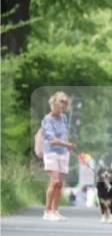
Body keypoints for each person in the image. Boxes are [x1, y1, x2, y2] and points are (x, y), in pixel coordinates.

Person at [41, 91, 73, 221]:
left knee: (60, 184)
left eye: (64, 107)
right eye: (60, 106)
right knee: (54, 182)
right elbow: (52, 139)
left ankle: (55, 211)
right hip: (51, 153)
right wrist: (66, 144)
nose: (62, 109)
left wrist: (67, 147)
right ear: (54, 104)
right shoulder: (47, 119)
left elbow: (64, 135)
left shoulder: (63, 118)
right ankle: (47, 211)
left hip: (63, 153)